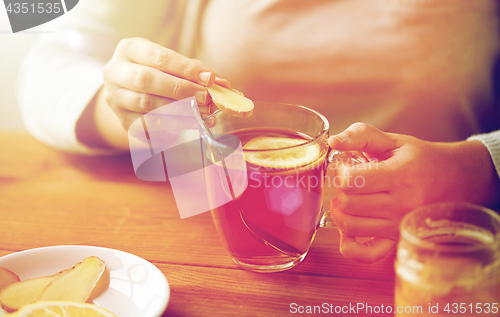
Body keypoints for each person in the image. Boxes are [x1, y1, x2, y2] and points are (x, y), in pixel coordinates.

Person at [18, 0, 500, 262]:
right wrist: (127, 109)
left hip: (440, 257)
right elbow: (47, 61)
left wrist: (481, 166)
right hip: (208, 252)